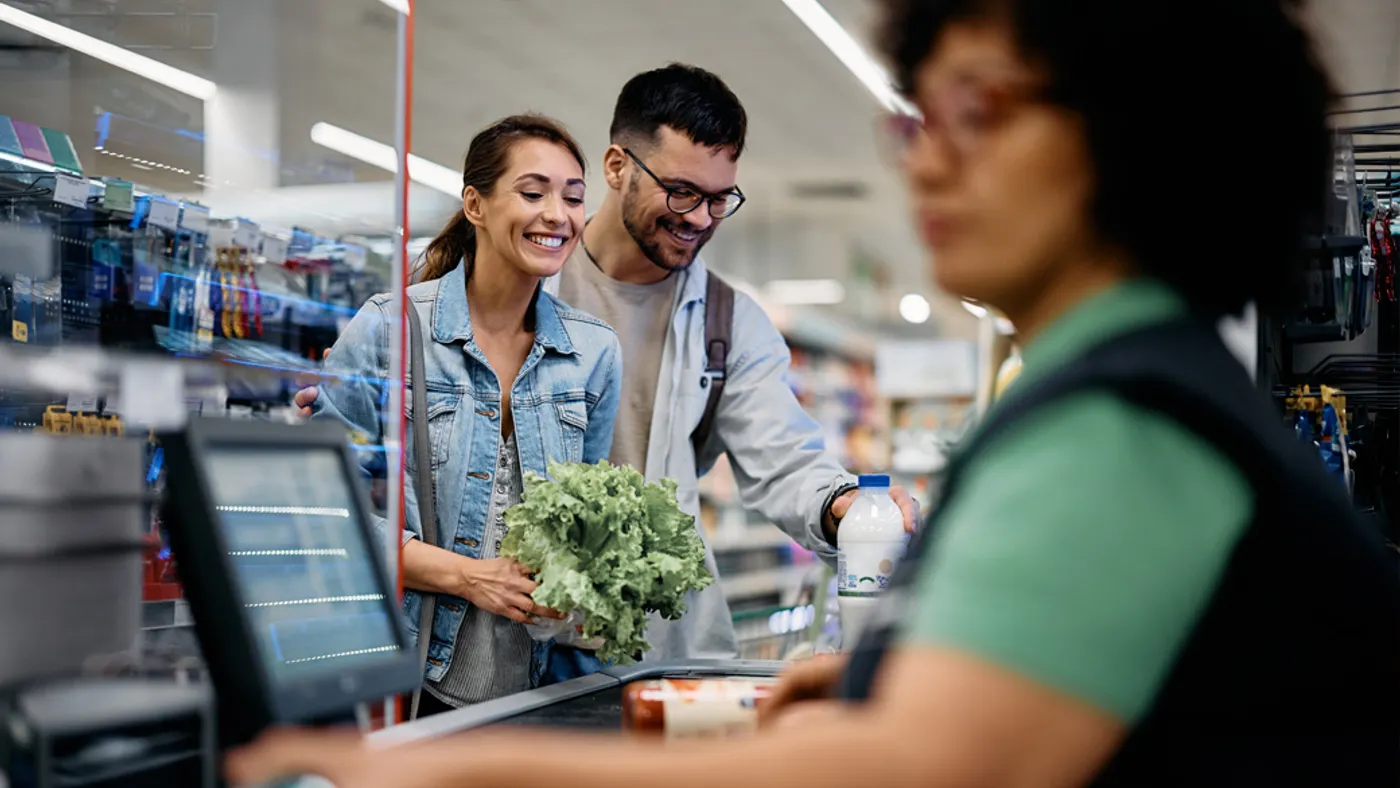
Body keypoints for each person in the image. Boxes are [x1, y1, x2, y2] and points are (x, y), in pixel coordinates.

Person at [230, 0, 1400, 784]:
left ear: (1142, 142)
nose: (923, 158)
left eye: (976, 113)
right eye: (920, 119)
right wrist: (896, 663)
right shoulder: (1152, 393)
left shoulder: (1120, 428)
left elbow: (902, 766)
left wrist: (453, 764)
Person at [296, 63, 920, 661]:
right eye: (680, 193)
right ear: (618, 167)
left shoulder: (728, 324)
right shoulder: (509, 272)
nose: (699, 219)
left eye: (718, 199)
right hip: (485, 630)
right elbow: (367, 431)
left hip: (641, 638)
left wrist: (841, 504)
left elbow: (783, 456)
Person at [310, 114, 623, 715]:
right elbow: (323, 515)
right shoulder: (390, 329)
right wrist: (465, 576)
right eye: (533, 193)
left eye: (573, 197)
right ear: (475, 204)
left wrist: (575, 581)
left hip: (538, 685)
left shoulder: (593, 353)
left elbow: (588, 517)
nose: (557, 214)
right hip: (402, 676)